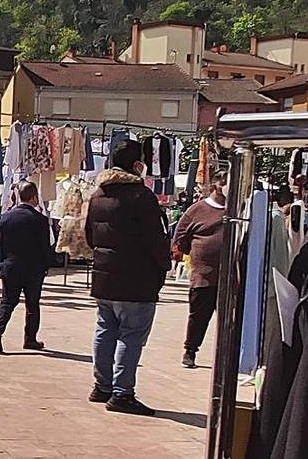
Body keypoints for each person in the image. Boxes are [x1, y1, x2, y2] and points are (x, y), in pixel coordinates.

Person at [84, 139, 170, 416]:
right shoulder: (141, 196)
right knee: (131, 335)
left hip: (104, 278)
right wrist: (163, 267)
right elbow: (155, 240)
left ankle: (102, 386)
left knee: (105, 330)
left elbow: (89, 236)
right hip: (137, 280)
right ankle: (122, 393)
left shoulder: (97, 195)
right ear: (138, 165)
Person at [0, 181, 53, 354]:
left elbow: (0, 243)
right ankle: (30, 338)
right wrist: (46, 265)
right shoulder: (40, 220)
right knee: (32, 304)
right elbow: (44, 246)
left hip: (10, 266)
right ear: (34, 197)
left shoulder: (6, 218)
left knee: (7, 301)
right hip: (33, 269)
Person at [173, 170, 227, 368]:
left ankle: (227, 358)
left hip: (232, 277)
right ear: (215, 185)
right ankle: (190, 350)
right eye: (224, 181)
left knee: (230, 321)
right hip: (204, 276)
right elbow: (180, 238)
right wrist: (196, 257)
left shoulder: (239, 210)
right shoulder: (196, 210)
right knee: (198, 316)